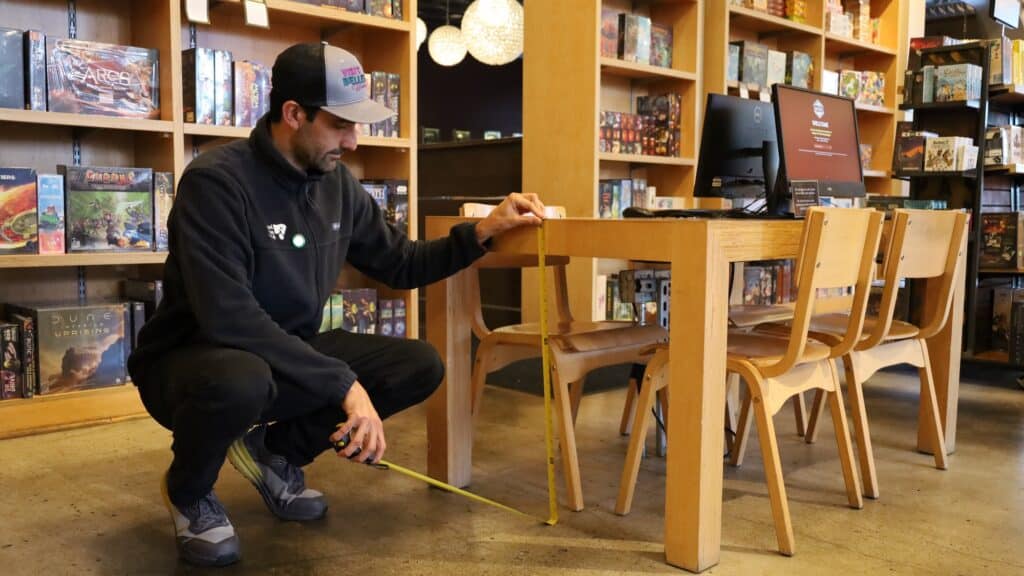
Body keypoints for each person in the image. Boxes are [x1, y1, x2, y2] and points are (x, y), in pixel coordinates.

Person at [127, 42, 545, 567]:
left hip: (286, 353)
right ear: (294, 114)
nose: (352, 141)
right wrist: (342, 383)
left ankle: (276, 455)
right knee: (242, 379)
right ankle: (189, 490)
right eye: (341, 124)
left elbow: (402, 264)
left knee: (418, 363)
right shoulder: (216, 183)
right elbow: (228, 317)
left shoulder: (336, 184)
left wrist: (483, 230)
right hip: (196, 363)